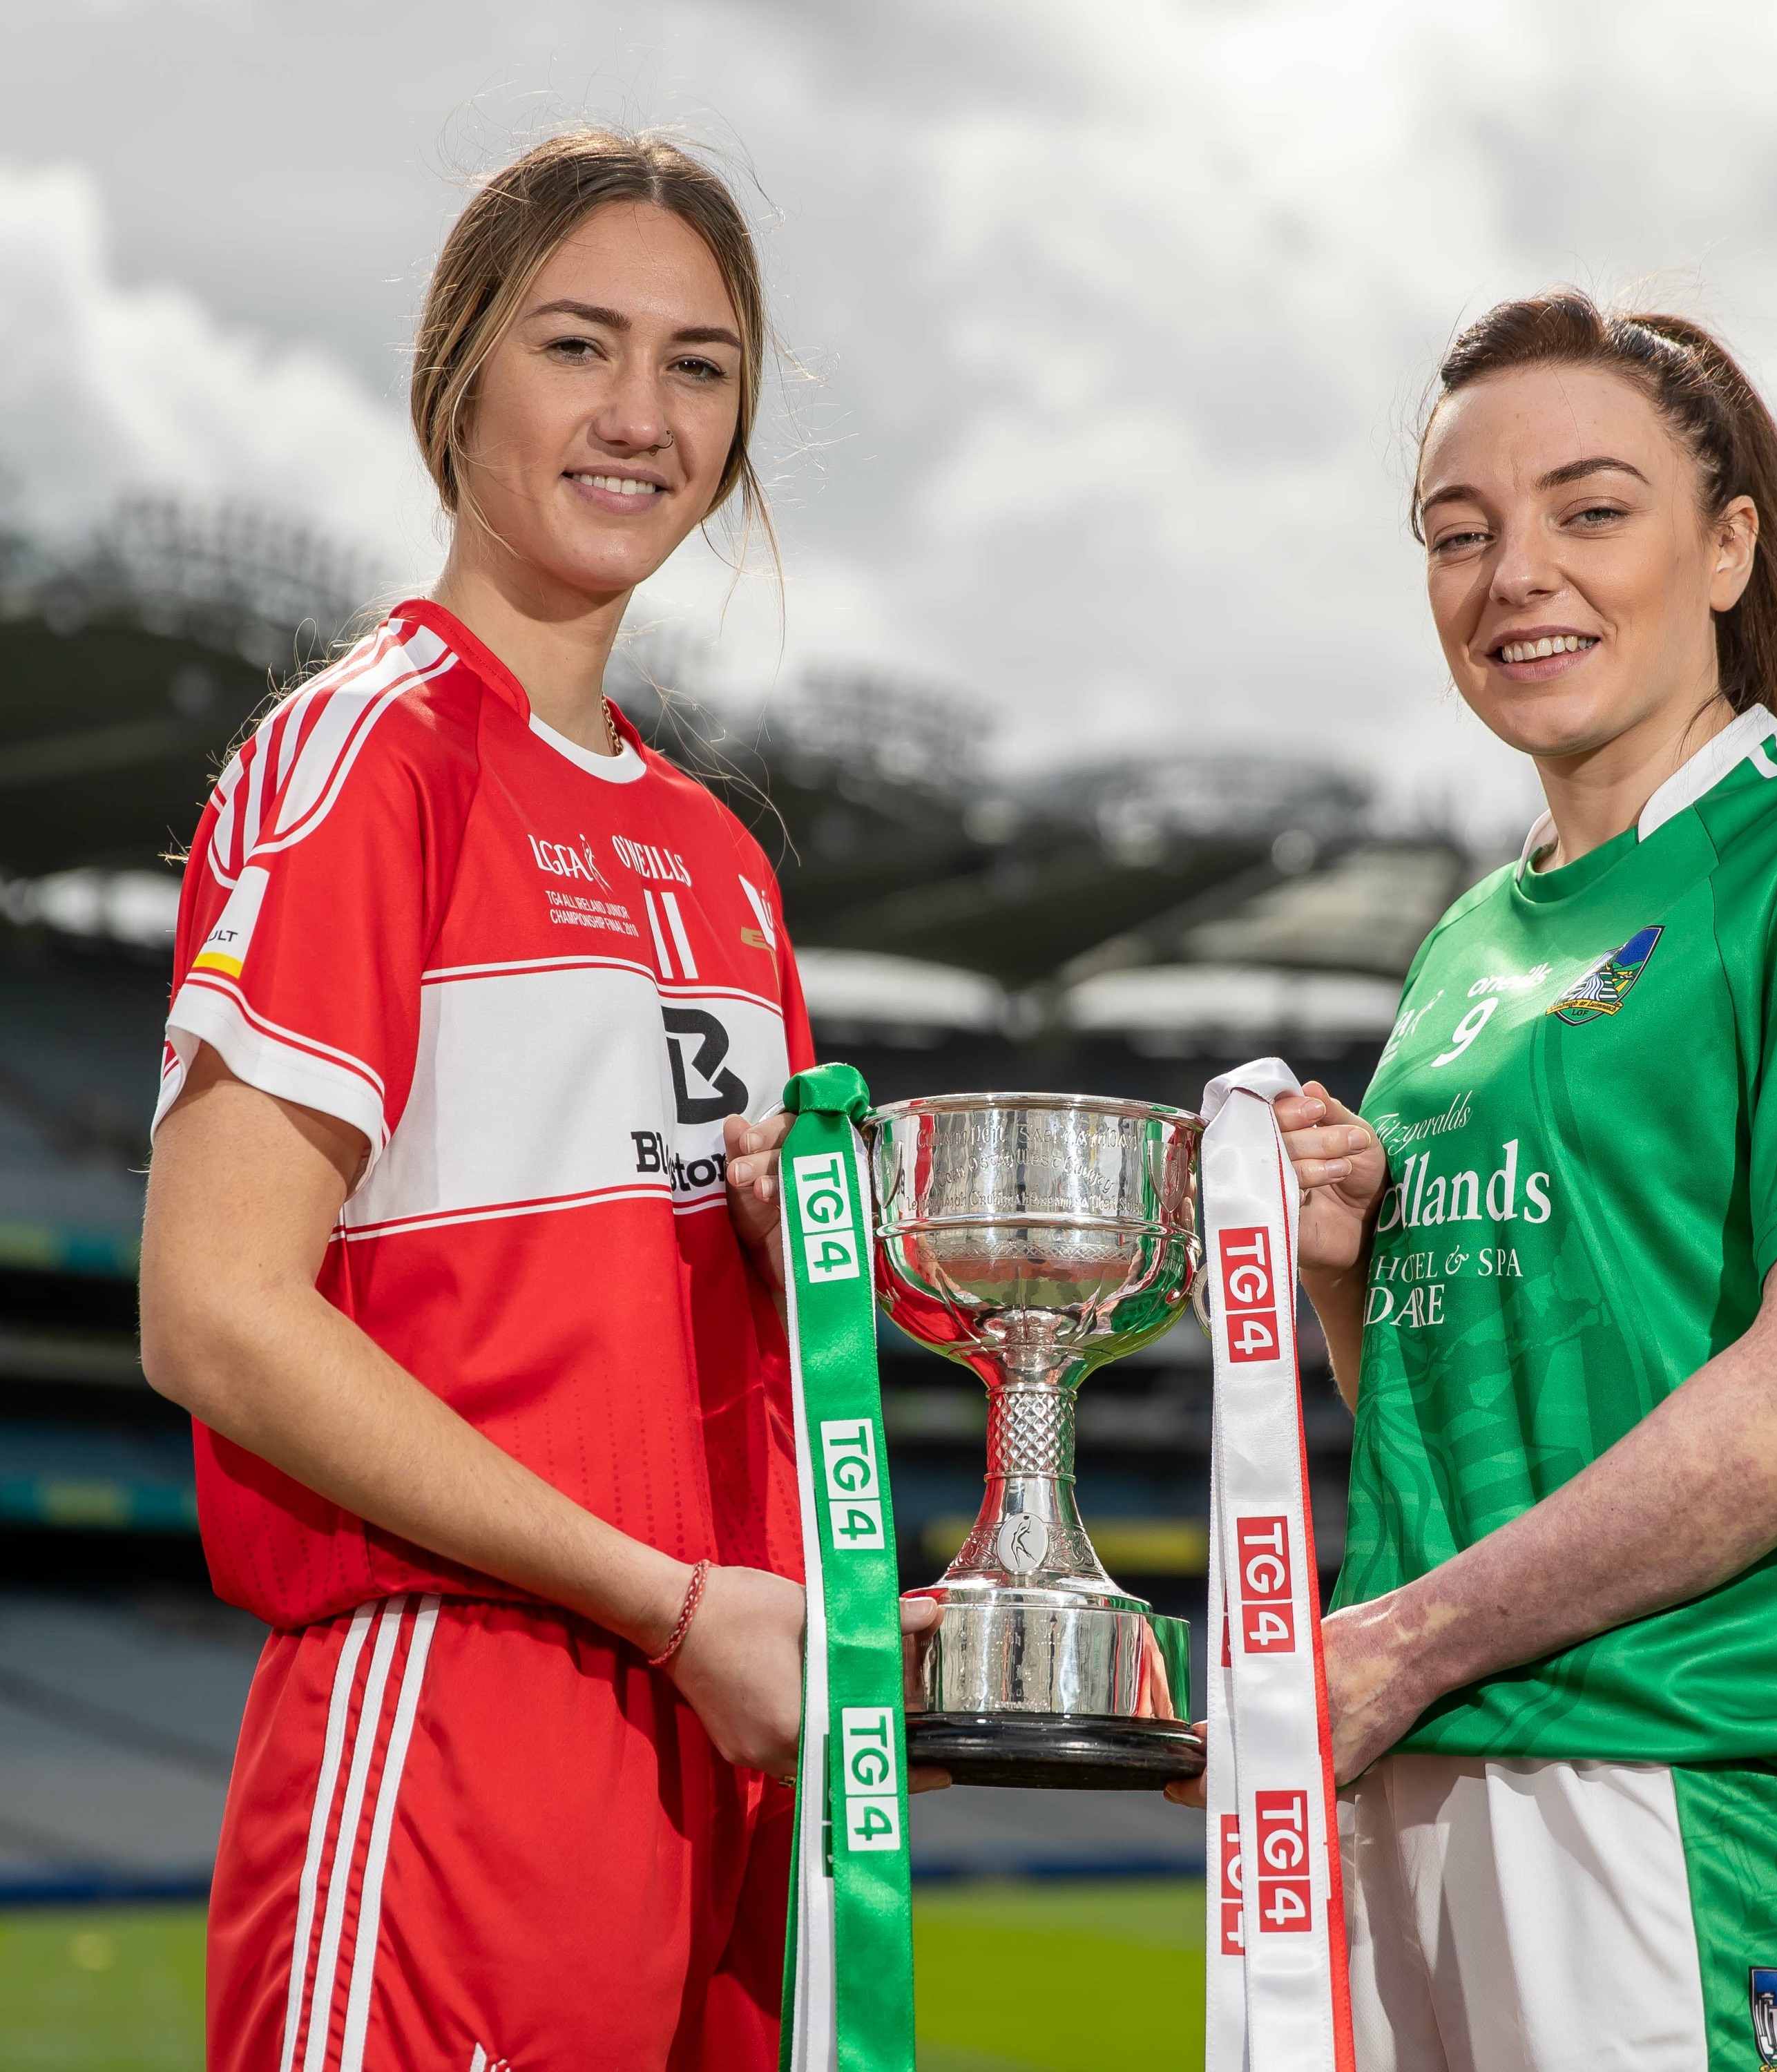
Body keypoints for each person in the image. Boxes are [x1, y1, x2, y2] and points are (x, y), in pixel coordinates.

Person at [140, 128, 930, 2071]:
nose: (640, 415)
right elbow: (213, 1310)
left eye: (697, 367)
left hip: (726, 1737)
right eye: (580, 345)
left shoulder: (720, 859)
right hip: (451, 1727)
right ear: (457, 373)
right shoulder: (368, 761)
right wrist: (667, 1604)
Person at [1267, 292, 1777, 2068]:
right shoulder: (1467, 947)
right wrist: (1340, 1267)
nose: (1516, 574)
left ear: (1726, 548)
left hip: (1696, 1795)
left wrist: (1404, 1642)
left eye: (1591, 510)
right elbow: (1457, 1420)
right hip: (1424, 1780)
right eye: (1459, 533)